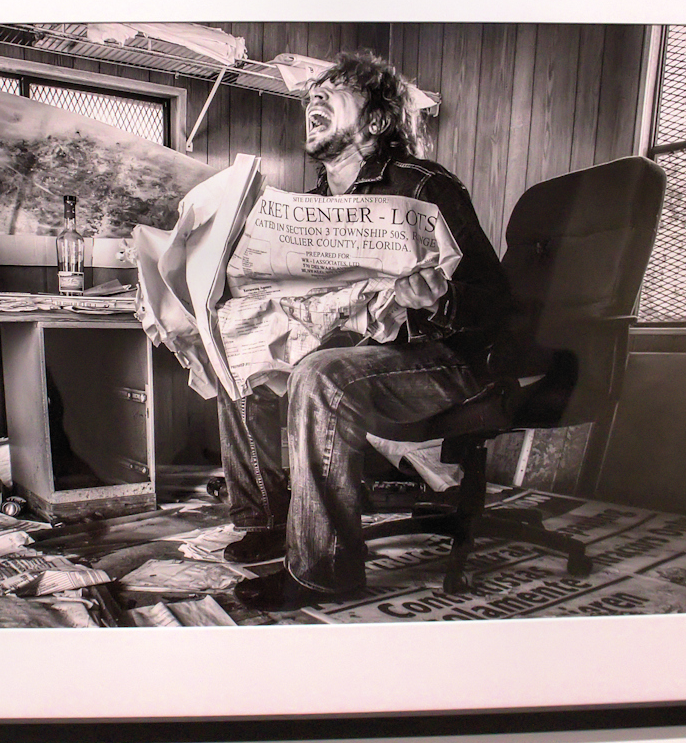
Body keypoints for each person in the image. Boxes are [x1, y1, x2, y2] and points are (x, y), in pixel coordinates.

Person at [220, 51, 525, 612]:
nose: (313, 97)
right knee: (236, 357)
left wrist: (439, 297)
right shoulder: (310, 207)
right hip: (361, 352)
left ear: (378, 121)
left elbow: (497, 303)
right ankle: (267, 520)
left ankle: (325, 571)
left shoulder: (424, 185)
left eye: (334, 89)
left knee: (322, 375)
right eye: (312, 92)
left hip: (446, 358)